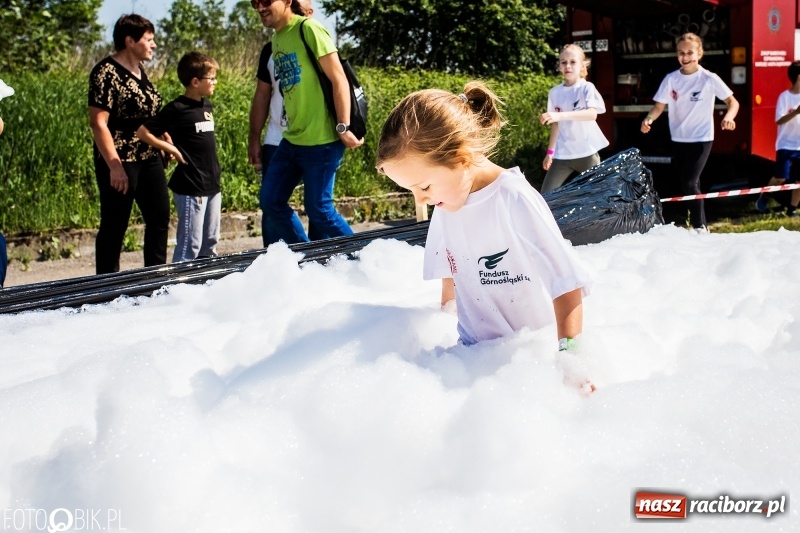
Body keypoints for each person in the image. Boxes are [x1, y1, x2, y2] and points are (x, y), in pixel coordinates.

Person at [376, 82, 594, 392]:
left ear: (462, 157)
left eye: (423, 187)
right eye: (411, 190)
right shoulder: (445, 204)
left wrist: (571, 363)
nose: (420, 200)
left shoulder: (513, 198)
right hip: (473, 361)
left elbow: (566, 284)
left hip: (528, 362)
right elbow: (450, 274)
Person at [251, 0, 363, 245]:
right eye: (254, 2)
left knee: (320, 210)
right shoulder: (277, 39)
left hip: (322, 140)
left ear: (288, 1)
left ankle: (363, 258)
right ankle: (305, 254)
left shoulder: (308, 29)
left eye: (266, 1)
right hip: (292, 140)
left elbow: (339, 79)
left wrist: (343, 126)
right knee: (271, 200)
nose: (260, 7)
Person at [88, 14, 170, 274]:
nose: (154, 45)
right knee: (115, 224)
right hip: (120, 159)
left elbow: (147, 114)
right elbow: (98, 123)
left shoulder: (140, 71)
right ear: (130, 41)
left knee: (159, 217)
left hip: (148, 156)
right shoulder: (105, 73)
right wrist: (115, 166)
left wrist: (163, 136)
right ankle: (106, 286)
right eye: (149, 39)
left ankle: (154, 280)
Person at [641, 32, 739, 231]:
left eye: (690, 52)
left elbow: (732, 102)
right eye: (681, 53)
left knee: (690, 182)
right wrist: (649, 118)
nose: (685, 57)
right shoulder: (671, 79)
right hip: (678, 138)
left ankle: (700, 227)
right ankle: (695, 223)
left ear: (700, 53)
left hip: (702, 138)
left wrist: (729, 117)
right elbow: (658, 107)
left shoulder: (709, 79)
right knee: (688, 183)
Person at [137, 52, 222, 262]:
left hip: (212, 185)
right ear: (195, 81)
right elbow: (143, 132)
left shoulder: (206, 106)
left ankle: (205, 285)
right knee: (189, 247)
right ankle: (179, 290)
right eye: (211, 79)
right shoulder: (177, 108)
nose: (214, 82)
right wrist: (171, 148)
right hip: (191, 187)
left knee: (210, 244)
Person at [248, 0, 316, 245]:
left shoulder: (313, 40)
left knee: (317, 205)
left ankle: (321, 256)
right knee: (271, 202)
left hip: (314, 138)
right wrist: (254, 138)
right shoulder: (271, 49)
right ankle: (274, 257)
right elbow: (262, 96)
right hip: (278, 139)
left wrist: (342, 128)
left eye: (304, 10)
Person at [540, 44, 609, 193]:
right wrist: (550, 153)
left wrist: (560, 115)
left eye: (573, 62)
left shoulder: (586, 88)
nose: (568, 66)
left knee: (601, 195)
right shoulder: (554, 93)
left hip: (587, 153)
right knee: (545, 197)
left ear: (582, 65)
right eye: (563, 62)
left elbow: (592, 114)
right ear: (559, 66)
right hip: (563, 155)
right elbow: (556, 125)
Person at [755, 61, 800, 216]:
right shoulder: (785, 97)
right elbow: (779, 120)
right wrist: (795, 112)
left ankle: (792, 209)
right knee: (780, 177)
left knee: (799, 181)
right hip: (786, 144)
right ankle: (764, 198)